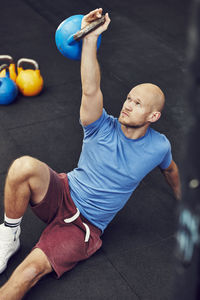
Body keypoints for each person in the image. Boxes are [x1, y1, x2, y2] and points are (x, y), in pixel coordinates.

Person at [0, 8, 181, 300]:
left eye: (137, 103)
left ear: (154, 115)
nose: (127, 105)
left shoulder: (159, 146)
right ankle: (8, 236)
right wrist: (91, 38)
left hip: (85, 227)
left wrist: (184, 202)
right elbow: (90, 88)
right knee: (22, 166)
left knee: (28, 272)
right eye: (128, 98)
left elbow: (170, 170)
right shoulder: (99, 126)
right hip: (63, 191)